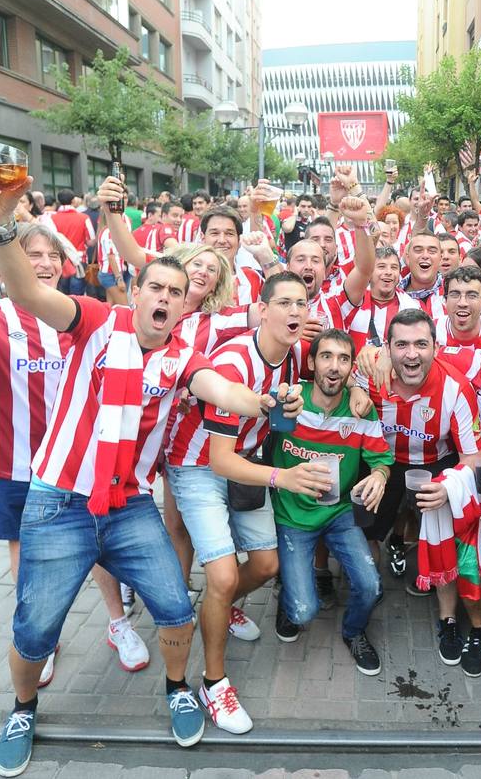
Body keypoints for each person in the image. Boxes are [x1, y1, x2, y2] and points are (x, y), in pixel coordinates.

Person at [0, 146, 285, 774]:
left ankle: (176, 690)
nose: (165, 298)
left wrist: (265, 398)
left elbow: (224, 392)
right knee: (35, 628)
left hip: (130, 505)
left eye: (175, 292)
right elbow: (27, 292)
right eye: (156, 287)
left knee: (172, 604)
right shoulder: (92, 321)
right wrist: (3, 224)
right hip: (59, 502)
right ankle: (23, 707)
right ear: (137, 291)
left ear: (185, 306)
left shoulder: (181, 359)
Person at [0, 223, 149, 686]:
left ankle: (117, 623)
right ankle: (40, 640)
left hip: (82, 463)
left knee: (100, 547)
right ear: (10, 263)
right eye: (31, 256)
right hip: (14, 463)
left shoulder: (87, 314)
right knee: (27, 557)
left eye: (51, 255)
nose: (43, 264)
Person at [164, 272, 333, 736]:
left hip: (246, 461)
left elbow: (332, 379)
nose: (296, 312)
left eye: (302, 303)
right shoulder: (235, 364)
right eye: (284, 303)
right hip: (199, 466)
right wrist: (285, 478)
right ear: (261, 309)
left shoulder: (296, 353)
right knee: (219, 574)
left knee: (264, 565)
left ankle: (220, 607)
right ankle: (213, 683)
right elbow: (219, 461)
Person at [360, 309, 481, 667]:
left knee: (441, 528)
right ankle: (368, 594)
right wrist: (356, 384)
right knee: (364, 523)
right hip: (383, 463)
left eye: (420, 344)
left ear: (436, 347)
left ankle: (448, 620)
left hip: (435, 464)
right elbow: (345, 373)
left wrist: (449, 487)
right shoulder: (372, 375)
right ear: (387, 348)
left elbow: (472, 459)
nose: (411, 354)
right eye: (401, 345)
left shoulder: (455, 387)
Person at [269, 329, 392, 675]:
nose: (334, 367)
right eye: (326, 357)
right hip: (292, 515)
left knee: (371, 585)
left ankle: (354, 632)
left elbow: (382, 458)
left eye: (343, 359)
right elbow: (251, 422)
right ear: (311, 363)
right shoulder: (291, 401)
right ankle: (290, 599)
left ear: (351, 368)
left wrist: (379, 477)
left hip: (339, 514)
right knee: (304, 612)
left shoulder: (359, 411)